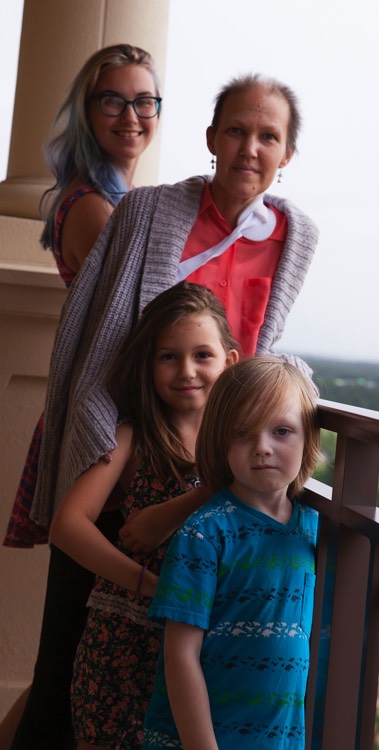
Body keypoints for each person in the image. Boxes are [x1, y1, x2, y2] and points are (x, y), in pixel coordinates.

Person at [30, 73, 320, 558]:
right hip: (126, 446)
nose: (250, 149)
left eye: (268, 136)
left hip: (213, 456)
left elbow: (257, 354)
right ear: (212, 137)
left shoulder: (295, 238)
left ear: (286, 153)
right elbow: (95, 335)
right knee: (87, 611)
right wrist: (103, 435)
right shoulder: (145, 210)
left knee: (191, 615)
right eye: (235, 131)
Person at [2, 43, 161, 750]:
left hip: (99, 424)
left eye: (145, 100)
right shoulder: (96, 208)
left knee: (67, 641)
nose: (132, 115)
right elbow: (139, 330)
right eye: (114, 100)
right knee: (70, 641)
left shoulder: (113, 200)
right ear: (86, 111)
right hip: (101, 430)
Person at [48, 282, 238, 750]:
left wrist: (185, 504)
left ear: (230, 362)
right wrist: (151, 586)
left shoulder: (243, 444)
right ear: (149, 365)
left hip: (210, 646)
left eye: (202, 355)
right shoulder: (131, 438)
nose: (187, 371)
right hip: (124, 641)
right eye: (168, 357)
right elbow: (67, 526)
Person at [142, 356, 321, 750]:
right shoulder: (205, 532)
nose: (262, 448)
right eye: (243, 434)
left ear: (308, 437)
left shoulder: (313, 529)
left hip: (279, 738)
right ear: (220, 441)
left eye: (282, 431)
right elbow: (180, 654)